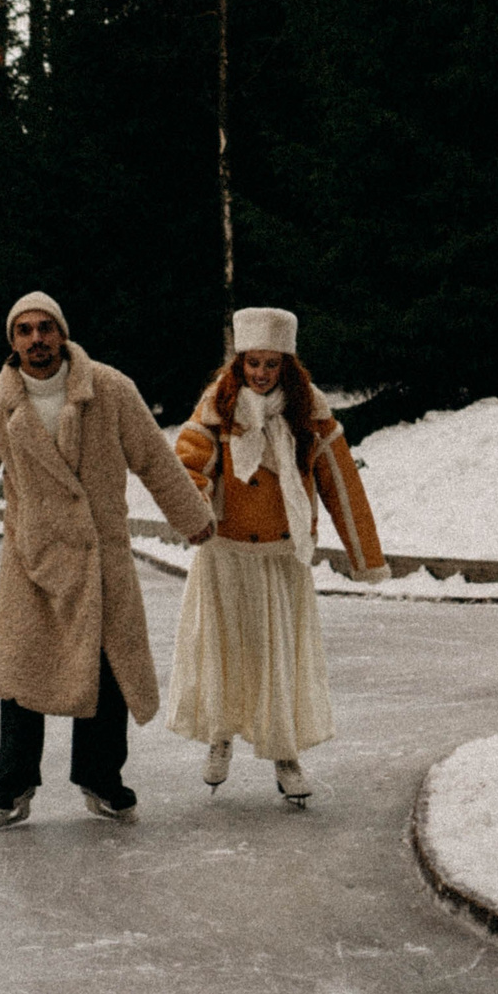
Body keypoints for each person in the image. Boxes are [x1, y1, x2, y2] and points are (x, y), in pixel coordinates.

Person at [0, 293, 215, 827]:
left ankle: (100, 779)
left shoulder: (110, 389)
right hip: (31, 561)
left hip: (101, 556)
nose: (37, 339)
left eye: (46, 328)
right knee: (21, 673)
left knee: (108, 670)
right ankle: (14, 785)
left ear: (61, 333)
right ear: (13, 342)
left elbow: (154, 458)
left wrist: (191, 516)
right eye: (25, 330)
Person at [168, 306, 388, 805]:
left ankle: (285, 756)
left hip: (283, 557)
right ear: (240, 362)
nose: (261, 373)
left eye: (272, 364)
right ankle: (221, 737)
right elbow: (188, 463)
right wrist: (196, 506)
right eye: (253, 363)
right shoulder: (217, 406)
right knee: (225, 650)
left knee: (279, 659)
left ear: (287, 364)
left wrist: (365, 557)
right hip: (226, 554)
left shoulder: (310, 412)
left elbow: (341, 485)